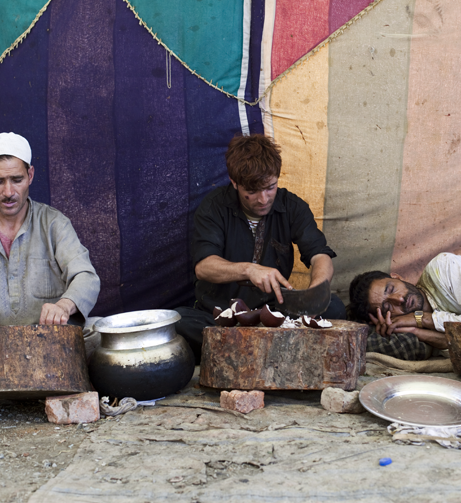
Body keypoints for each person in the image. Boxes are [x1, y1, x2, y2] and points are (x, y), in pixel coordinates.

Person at [175, 134, 346, 361]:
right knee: (177, 321)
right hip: (220, 316)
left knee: (333, 307)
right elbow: (204, 267)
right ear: (234, 182)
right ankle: (267, 351)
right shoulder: (214, 207)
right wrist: (249, 270)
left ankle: (244, 351)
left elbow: (319, 255)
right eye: (252, 191)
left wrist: (316, 292)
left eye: (270, 187)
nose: (263, 199)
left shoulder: (292, 207)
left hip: (274, 315)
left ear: (277, 178)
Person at [0, 132, 100, 332]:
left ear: (30, 175)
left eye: (17, 180)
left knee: (101, 337)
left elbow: (86, 277)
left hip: (53, 344)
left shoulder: (54, 224)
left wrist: (63, 306)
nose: (8, 192)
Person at [348, 251, 461, 360]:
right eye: (388, 307)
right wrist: (415, 331)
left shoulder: (442, 269)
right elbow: (456, 346)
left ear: (397, 277)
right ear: (388, 318)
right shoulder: (419, 332)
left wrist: (422, 318)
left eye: (392, 289)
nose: (399, 299)